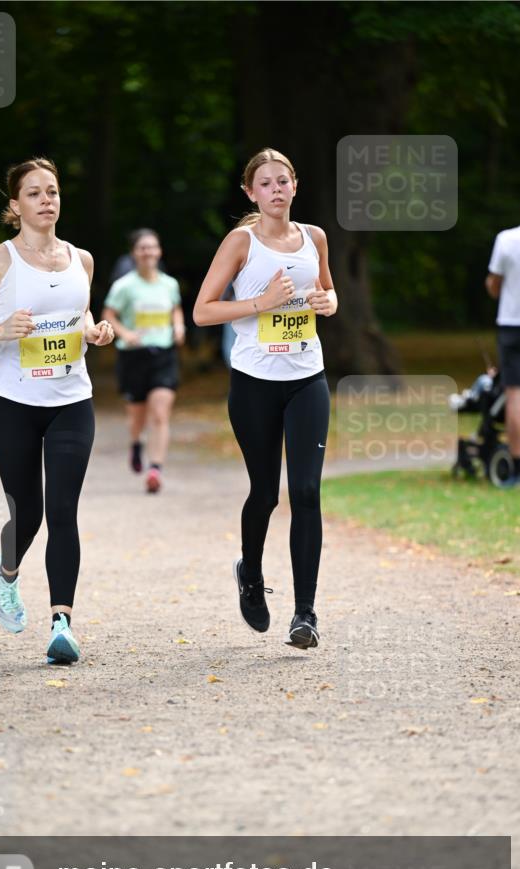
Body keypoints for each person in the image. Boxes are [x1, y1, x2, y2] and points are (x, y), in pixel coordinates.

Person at [0, 157, 115, 665]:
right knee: (29, 511)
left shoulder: (81, 259)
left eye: (53, 192)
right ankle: (7, 574)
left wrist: (94, 330)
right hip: (13, 402)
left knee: (64, 510)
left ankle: (61, 624)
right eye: (35, 193)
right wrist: (0, 332)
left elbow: (80, 310)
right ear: (15, 204)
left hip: (71, 400)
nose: (47, 200)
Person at [193, 148, 337, 649]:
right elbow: (202, 312)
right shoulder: (241, 241)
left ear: (295, 186)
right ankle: (249, 572)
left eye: (284, 181)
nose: (276, 189)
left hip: (307, 379)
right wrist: (261, 304)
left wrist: (325, 301)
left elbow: (328, 294)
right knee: (265, 494)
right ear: (251, 193)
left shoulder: (314, 238)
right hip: (254, 383)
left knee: (307, 492)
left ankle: (305, 614)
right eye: (266, 183)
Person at [102, 229, 185, 493]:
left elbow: (176, 309)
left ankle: (155, 469)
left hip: (163, 354)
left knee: (160, 413)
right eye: (142, 248)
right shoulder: (124, 286)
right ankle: (136, 443)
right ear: (134, 253)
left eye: (153, 247)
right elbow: (109, 315)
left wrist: (179, 326)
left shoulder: (169, 284)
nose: (148, 252)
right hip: (133, 356)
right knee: (137, 416)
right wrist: (126, 334)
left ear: (159, 251)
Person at [486, 191, 520, 487]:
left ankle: (517, 467)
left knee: (515, 397)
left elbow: (494, 284)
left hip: (515, 325)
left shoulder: (508, 239)